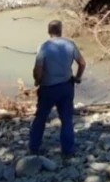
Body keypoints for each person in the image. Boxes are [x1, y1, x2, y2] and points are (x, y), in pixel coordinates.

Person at [29, 20, 87, 156]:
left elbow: (38, 69)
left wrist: (37, 81)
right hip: (66, 86)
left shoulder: (43, 47)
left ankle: (34, 147)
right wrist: (78, 77)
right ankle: (68, 151)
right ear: (61, 30)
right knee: (67, 119)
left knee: (40, 118)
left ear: (48, 31)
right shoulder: (70, 44)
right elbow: (82, 63)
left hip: (48, 88)